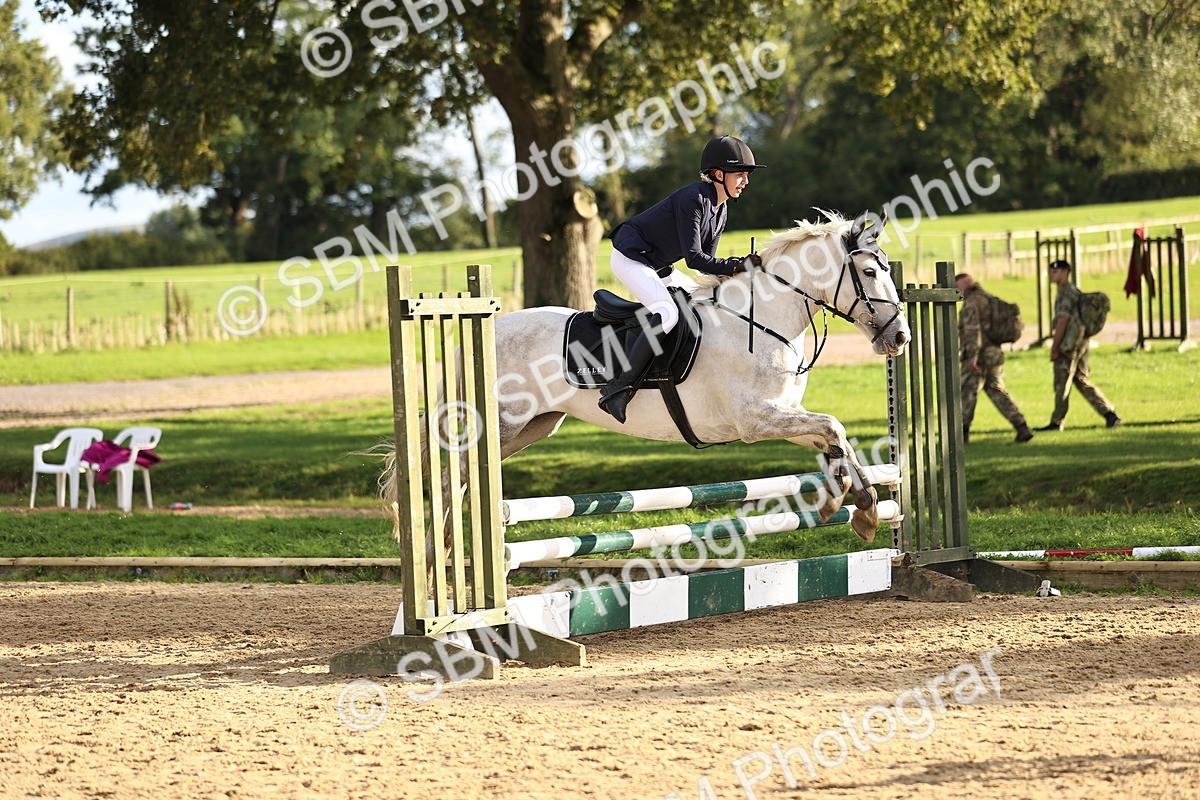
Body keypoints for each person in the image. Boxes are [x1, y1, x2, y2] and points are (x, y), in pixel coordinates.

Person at [599, 135, 764, 423]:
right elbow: (695, 259)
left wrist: (738, 280)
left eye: (746, 176)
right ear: (718, 174)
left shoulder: (720, 208)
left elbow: (706, 268)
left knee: (704, 305)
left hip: (658, 264)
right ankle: (618, 389)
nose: (745, 182)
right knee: (666, 312)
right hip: (631, 258)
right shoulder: (695, 198)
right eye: (740, 175)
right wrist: (736, 265)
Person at [1038, 260, 1121, 431]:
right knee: (1081, 379)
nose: (1054, 274)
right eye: (1052, 271)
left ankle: (1056, 422)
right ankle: (1109, 413)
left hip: (1069, 344)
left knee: (1062, 382)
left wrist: (1055, 347)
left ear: (1067, 272)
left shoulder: (1065, 293)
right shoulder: (1073, 291)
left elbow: (1063, 321)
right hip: (1081, 341)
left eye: (1057, 271)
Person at [955, 273, 1034, 444]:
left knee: (967, 393)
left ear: (965, 284)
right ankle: (1021, 426)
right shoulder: (988, 297)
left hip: (980, 355)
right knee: (997, 390)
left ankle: (961, 435)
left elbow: (972, 331)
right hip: (994, 352)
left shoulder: (972, 303)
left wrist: (972, 357)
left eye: (957, 286)